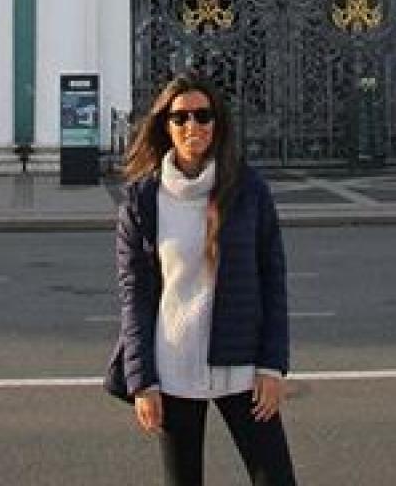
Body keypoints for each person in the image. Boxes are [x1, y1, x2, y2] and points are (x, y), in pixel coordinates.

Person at [108, 73, 299, 486]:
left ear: (218, 123)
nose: (192, 126)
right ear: (165, 125)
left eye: (203, 115)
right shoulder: (142, 203)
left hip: (241, 359)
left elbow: (272, 280)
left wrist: (272, 365)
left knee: (276, 479)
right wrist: (142, 382)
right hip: (173, 363)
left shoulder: (248, 190)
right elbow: (136, 298)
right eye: (180, 118)